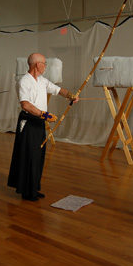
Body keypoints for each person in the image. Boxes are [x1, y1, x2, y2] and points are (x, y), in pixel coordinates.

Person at [8, 53, 78, 201]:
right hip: (28, 122)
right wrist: (45, 115)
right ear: (37, 65)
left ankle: (33, 188)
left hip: (39, 122)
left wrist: (71, 95)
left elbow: (58, 90)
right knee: (29, 156)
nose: (45, 66)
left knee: (38, 156)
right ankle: (27, 191)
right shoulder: (24, 81)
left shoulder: (41, 80)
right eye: (44, 63)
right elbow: (25, 105)